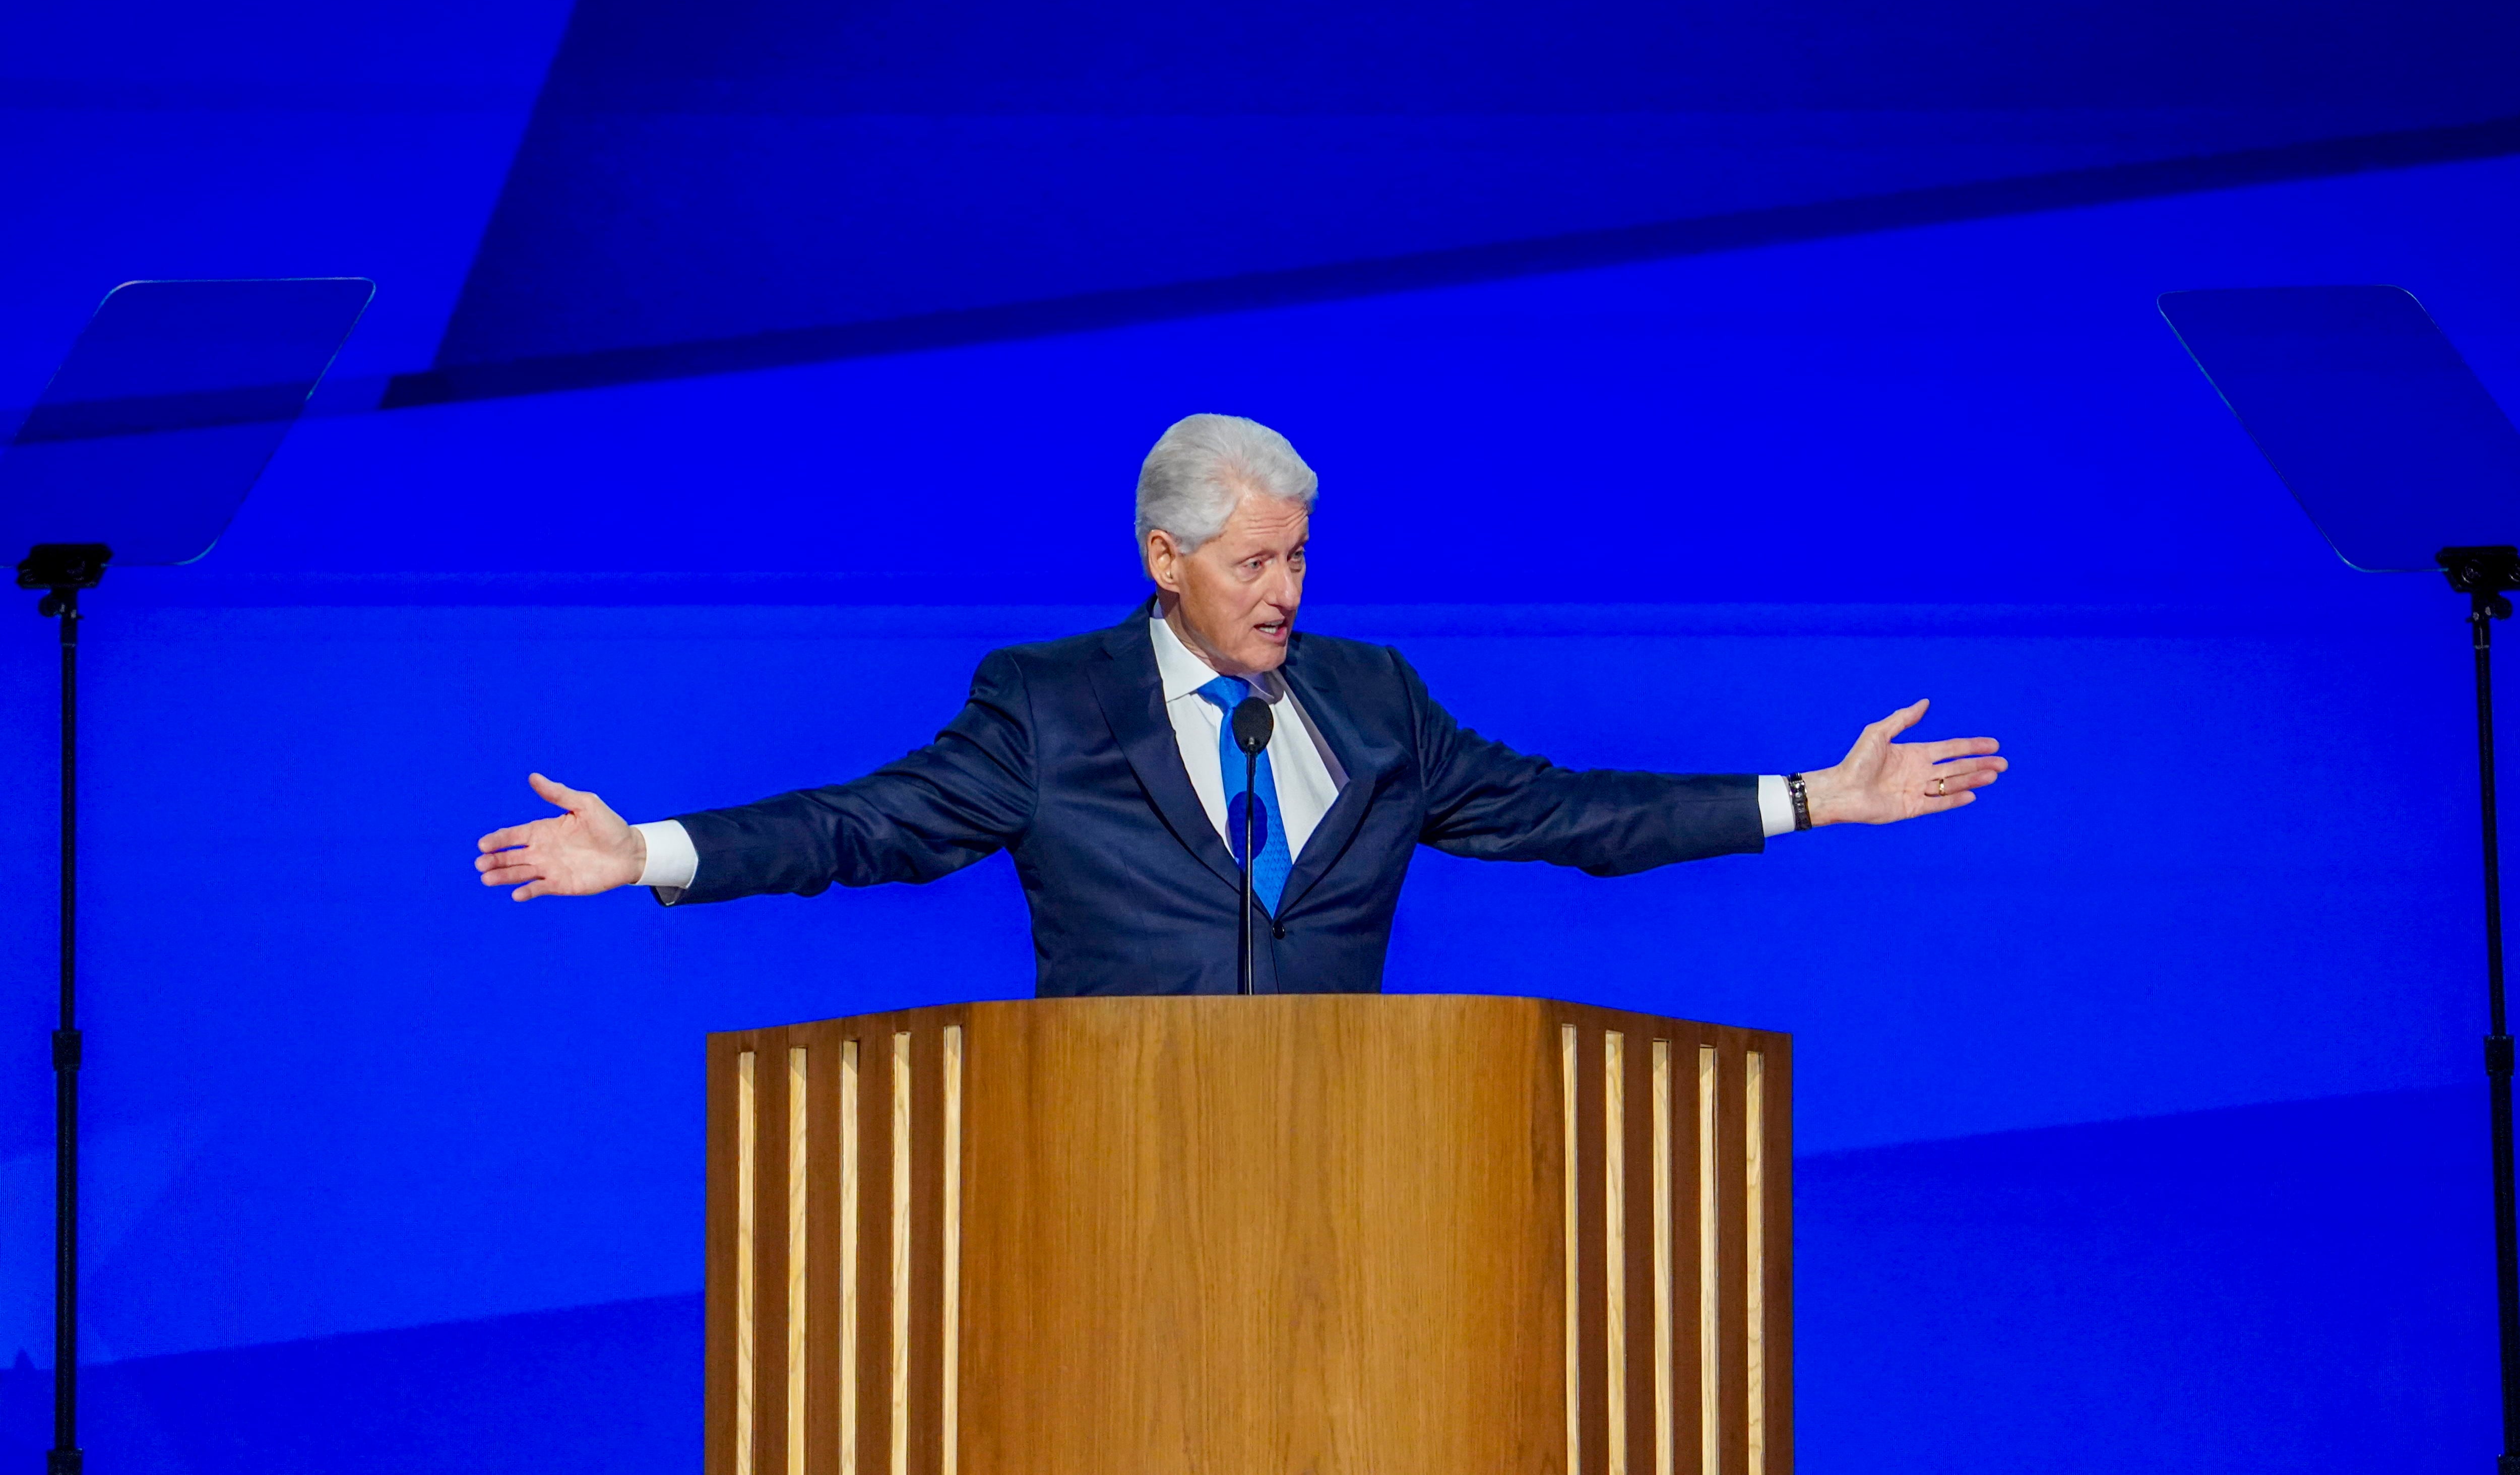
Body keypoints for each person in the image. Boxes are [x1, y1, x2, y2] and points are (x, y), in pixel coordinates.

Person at [475, 414, 2005, 994]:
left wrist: (1810, 797)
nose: (1284, 591)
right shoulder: (1050, 708)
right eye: (1253, 560)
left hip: (1351, 1153)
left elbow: (1564, 816)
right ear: (1167, 561)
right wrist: (655, 850)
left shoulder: (1371, 697)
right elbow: (864, 827)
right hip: (1113, 1154)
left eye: (1299, 559)